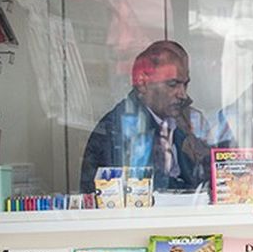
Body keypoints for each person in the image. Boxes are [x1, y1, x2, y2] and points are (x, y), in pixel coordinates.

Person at [79, 40, 206, 194]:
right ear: (142, 83)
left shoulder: (186, 123)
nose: (182, 94)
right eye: (172, 84)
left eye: (185, 85)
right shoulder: (118, 128)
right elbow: (139, 187)